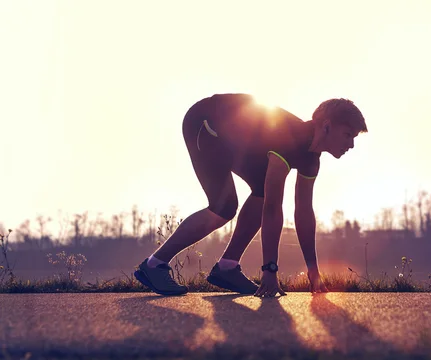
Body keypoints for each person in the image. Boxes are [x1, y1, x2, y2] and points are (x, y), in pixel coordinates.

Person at [134, 93, 368, 297]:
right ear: (326, 126)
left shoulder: (311, 159)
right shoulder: (288, 139)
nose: (351, 145)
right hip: (205, 123)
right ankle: (154, 265)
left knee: (261, 192)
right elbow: (273, 208)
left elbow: (304, 212)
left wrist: (313, 270)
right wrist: (270, 269)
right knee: (224, 207)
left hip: (236, 140)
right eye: (348, 135)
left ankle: (227, 268)